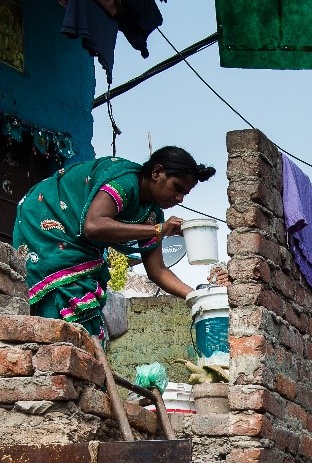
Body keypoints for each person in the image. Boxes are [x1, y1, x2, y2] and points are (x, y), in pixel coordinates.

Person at [13, 146, 215, 341]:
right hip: (46, 219)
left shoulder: (152, 213)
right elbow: (93, 225)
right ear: (157, 172)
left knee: (87, 311)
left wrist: (197, 297)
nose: (179, 198)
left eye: (185, 193)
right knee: (70, 296)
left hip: (81, 244)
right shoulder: (125, 182)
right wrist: (158, 230)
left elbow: (157, 270)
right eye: (177, 188)